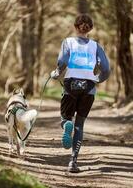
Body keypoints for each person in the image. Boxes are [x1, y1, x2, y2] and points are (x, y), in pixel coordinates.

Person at [50, 14, 111, 173]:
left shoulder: (68, 42)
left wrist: (56, 73)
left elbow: (62, 62)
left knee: (65, 117)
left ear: (75, 27)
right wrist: (98, 79)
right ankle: (73, 162)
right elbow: (106, 68)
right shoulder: (96, 46)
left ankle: (65, 125)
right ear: (90, 28)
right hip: (89, 88)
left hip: (70, 85)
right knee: (80, 125)